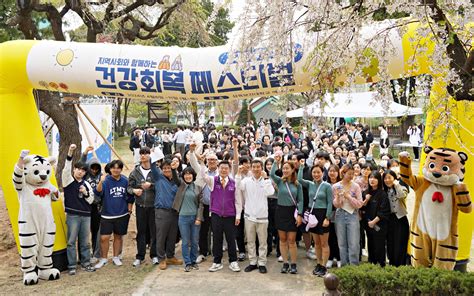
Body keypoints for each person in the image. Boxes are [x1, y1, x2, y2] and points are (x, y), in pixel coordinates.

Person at [200, 158, 243, 273]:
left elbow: (238, 201)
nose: (224, 170)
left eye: (226, 168)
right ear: (218, 169)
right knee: (217, 238)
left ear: (229, 170)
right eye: (222, 168)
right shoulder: (213, 181)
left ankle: (233, 261)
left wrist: (238, 215)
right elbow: (203, 175)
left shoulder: (234, 183)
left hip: (230, 215)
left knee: (231, 239)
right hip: (216, 215)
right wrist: (202, 163)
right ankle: (217, 262)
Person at [62, 144, 95, 275]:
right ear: (74, 170)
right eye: (78, 169)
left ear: (85, 173)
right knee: (71, 241)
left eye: (83, 170)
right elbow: (65, 169)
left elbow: (91, 200)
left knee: (85, 242)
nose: (80, 171)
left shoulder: (86, 183)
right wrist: (70, 152)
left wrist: (86, 192)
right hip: (72, 215)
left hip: (86, 215)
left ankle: (86, 262)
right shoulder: (68, 180)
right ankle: (71, 265)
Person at [237, 159, 275, 273]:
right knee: (250, 241)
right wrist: (238, 173)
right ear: (251, 168)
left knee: (263, 242)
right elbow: (238, 185)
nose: (256, 169)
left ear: (261, 168)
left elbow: (270, 192)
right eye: (254, 166)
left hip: (262, 217)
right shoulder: (246, 180)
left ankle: (262, 263)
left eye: (258, 167)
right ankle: (253, 262)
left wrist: (267, 178)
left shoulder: (266, 180)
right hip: (249, 216)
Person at [94, 160, 134, 269]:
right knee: (104, 238)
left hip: (122, 214)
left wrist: (129, 211)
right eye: (113, 168)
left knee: (118, 236)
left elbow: (130, 197)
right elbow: (97, 192)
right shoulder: (106, 181)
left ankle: (116, 257)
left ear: (121, 169)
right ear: (110, 169)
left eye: (118, 168)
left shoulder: (125, 181)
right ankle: (103, 258)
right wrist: (100, 181)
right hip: (107, 214)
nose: (115, 170)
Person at [297, 161, 333, 277]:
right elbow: (300, 179)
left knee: (324, 243)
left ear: (323, 173)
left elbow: (329, 203)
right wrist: (302, 166)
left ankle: (324, 265)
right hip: (313, 216)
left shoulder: (327, 186)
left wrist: (327, 217)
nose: (316, 174)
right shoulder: (310, 184)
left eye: (318, 172)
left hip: (323, 215)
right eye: (314, 172)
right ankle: (318, 263)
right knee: (316, 243)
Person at [270, 154, 303, 274]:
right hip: (280, 211)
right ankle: (285, 263)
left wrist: (300, 214)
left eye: (287, 168)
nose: (285, 170)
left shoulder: (297, 184)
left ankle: (293, 263)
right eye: (283, 168)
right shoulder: (279, 181)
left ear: (293, 169)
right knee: (282, 239)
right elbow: (272, 174)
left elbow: (301, 200)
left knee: (292, 240)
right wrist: (275, 161)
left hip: (292, 212)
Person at [127, 147, 158, 267]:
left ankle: (154, 255)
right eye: (142, 153)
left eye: (146, 153)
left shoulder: (156, 171)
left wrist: (151, 185)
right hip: (140, 206)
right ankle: (140, 256)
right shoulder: (135, 172)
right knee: (141, 231)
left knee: (154, 231)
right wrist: (135, 190)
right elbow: (128, 188)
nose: (144, 155)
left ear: (150, 155)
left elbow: (161, 186)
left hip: (153, 206)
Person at [150, 157, 183, 270]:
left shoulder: (176, 180)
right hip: (161, 212)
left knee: (172, 236)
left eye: (169, 168)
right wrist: (155, 155)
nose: (167, 170)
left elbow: (179, 184)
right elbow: (153, 165)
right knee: (161, 236)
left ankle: (170, 256)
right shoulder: (158, 178)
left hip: (174, 212)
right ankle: (161, 258)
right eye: (164, 168)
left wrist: (174, 170)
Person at [189, 144, 219, 263]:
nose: (211, 161)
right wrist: (192, 151)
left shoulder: (220, 172)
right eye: (209, 159)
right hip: (204, 206)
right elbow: (193, 162)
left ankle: (217, 253)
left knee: (217, 231)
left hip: (217, 207)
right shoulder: (202, 170)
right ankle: (203, 252)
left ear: (217, 161)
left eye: (213, 159)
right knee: (203, 231)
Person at [172, 166, 204, 272]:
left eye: (190, 174)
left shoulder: (198, 187)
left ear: (193, 176)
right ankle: (187, 262)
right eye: (186, 174)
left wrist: (199, 218)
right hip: (183, 218)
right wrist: (173, 169)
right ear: (183, 176)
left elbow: (201, 205)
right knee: (185, 241)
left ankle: (193, 261)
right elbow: (176, 178)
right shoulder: (181, 185)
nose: (188, 176)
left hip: (195, 218)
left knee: (195, 241)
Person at [332, 164, 363, 266]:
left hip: (353, 215)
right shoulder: (336, 186)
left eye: (353, 174)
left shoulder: (356, 186)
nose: (351, 176)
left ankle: (354, 266)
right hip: (340, 214)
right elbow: (336, 205)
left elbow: (359, 204)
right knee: (341, 243)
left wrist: (349, 197)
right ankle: (345, 266)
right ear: (343, 173)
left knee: (354, 243)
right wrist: (337, 197)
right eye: (349, 174)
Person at [361, 171, 390, 266]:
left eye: (374, 178)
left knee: (379, 245)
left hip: (379, 225)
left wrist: (374, 222)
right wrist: (366, 200)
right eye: (370, 178)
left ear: (379, 180)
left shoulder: (383, 194)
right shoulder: (365, 193)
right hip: (368, 224)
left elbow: (384, 210)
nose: (372, 180)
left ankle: (381, 264)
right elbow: (361, 207)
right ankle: (371, 262)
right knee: (370, 244)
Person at [80, 146, 103, 263]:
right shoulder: (85, 175)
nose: (94, 170)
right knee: (84, 232)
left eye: (96, 168)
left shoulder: (100, 176)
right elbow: (80, 164)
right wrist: (85, 153)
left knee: (95, 231)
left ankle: (95, 253)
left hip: (96, 207)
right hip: (85, 206)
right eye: (92, 168)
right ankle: (83, 254)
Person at [384, 169, 409, 266]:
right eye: (385, 178)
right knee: (390, 244)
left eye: (389, 178)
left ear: (394, 178)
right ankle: (392, 264)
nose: (387, 180)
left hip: (400, 219)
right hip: (389, 220)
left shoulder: (401, 187)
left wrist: (396, 184)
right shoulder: (384, 190)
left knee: (400, 244)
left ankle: (401, 266)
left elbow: (402, 195)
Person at [326, 164, 341, 269]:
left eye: (334, 171)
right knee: (330, 237)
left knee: (339, 237)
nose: (332, 173)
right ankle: (330, 258)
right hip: (329, 214)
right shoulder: (325, 184)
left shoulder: (341, 184)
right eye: (330, 171)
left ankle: (339, 258)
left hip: (340, 213)